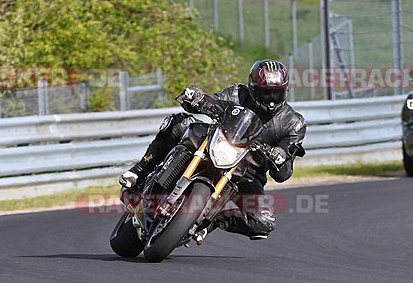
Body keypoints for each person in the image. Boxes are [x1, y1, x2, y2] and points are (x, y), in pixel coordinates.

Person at [118, 59, 306, 240]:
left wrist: (281, 156)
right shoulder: (237, 94)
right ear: (253, 89)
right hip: (217, 146)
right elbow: (215, 101)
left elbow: (283, 174)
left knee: (263, 222)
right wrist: (199, 99)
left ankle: (212, 221)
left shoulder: (293, 123)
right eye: (266, 93)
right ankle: (140, 170)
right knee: (180, 123)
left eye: (276, 94)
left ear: (286, 90)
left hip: (246, 176)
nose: (271, 100)